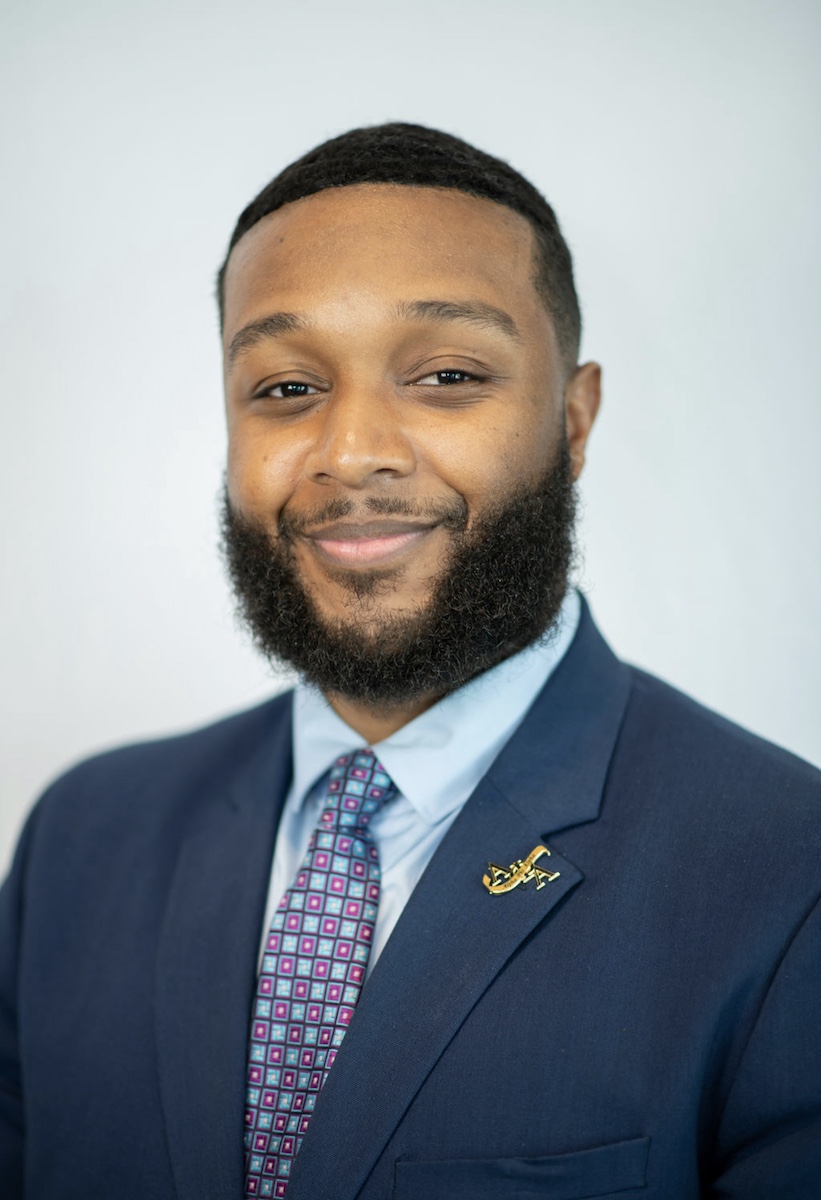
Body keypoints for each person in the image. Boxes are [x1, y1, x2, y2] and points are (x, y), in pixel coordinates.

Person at [0, 123, 819, 1200]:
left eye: (445, 374)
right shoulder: (83, 839)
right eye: (285, 388)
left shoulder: (784, 870)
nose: (349, 450)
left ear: (571, 423)